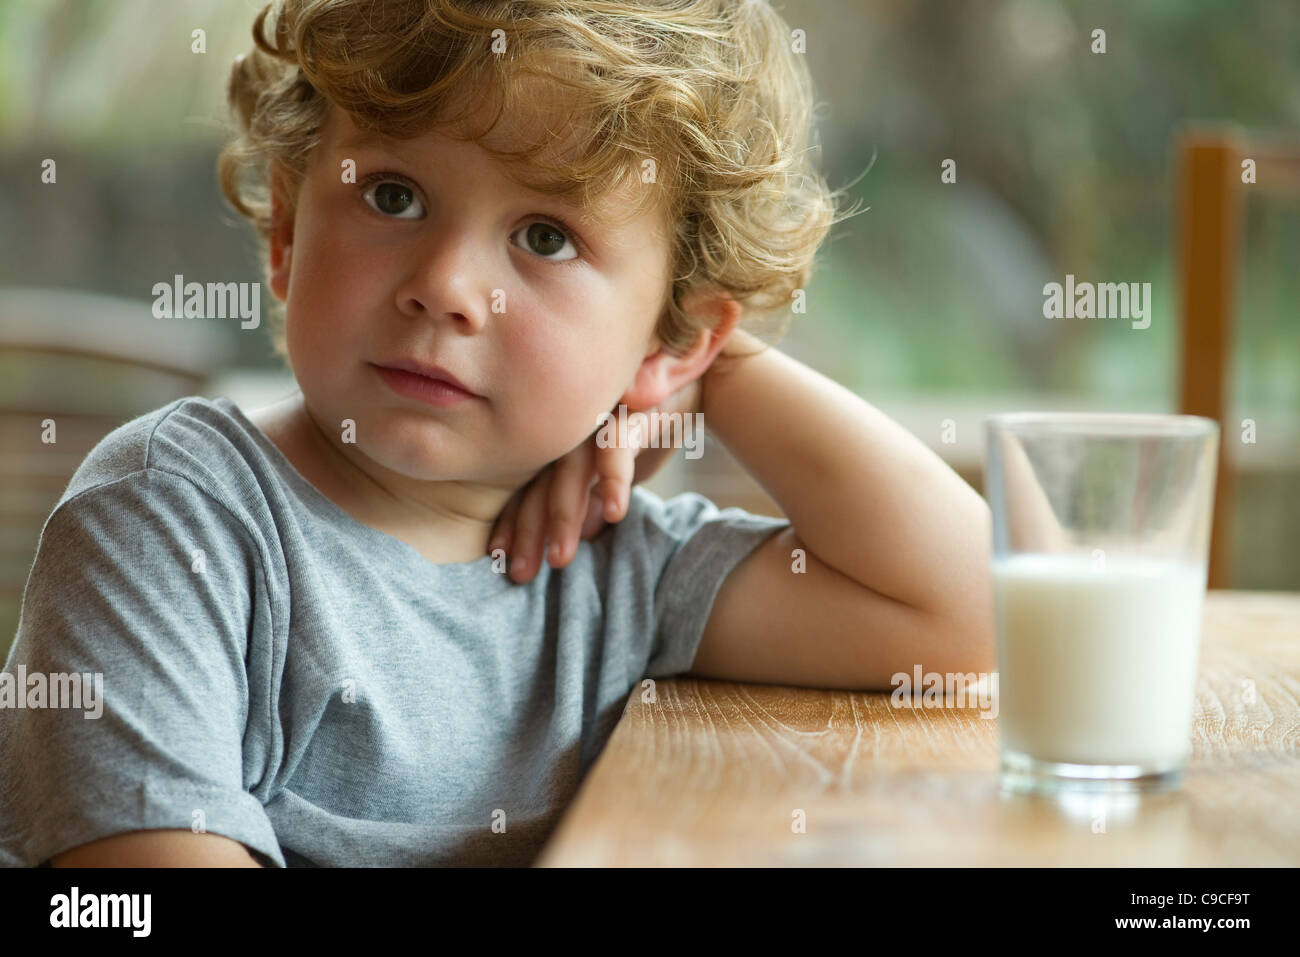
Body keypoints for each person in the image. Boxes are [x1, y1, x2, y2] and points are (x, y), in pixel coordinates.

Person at [0, 0, 993, 868]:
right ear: (287, 233)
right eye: (394, 195)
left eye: (546, 237)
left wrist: (715, 379)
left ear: (675, 332)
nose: (444, 285)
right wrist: (669, 358)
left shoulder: (614, 575)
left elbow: (970, 620)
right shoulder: (169, 522)